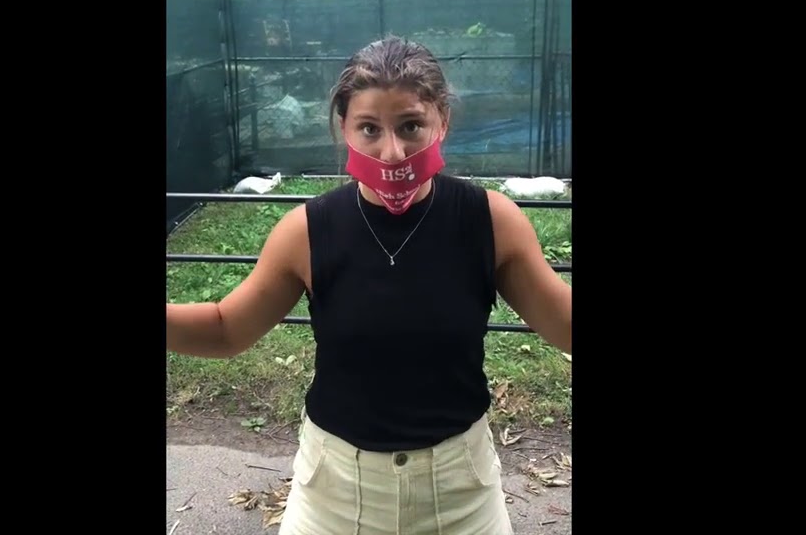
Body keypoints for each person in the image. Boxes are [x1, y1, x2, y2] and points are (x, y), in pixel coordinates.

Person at [166, 36, 572, 535]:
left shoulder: (490, 222)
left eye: (411, 126)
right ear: (344, 130)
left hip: (462, 496)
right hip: (334, 496)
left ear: (442, 120)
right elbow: (228, 330)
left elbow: (566, 324)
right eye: (369, 129)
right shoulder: (307, 232)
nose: (392, 150)